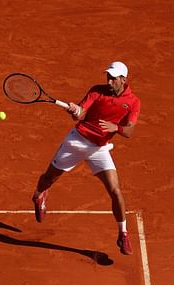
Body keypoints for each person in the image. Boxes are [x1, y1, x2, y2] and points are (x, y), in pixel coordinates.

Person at [31, 61, 141, 255]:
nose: (109, 80)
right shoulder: (97, 91)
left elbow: (130, 131)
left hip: (100, 149)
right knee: (49, 178)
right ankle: (39, 195)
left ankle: (123, 234)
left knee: (115, 190)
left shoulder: (133, 102)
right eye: (108, 76)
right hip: (77, 142)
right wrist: (75, 110)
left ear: (123, 79)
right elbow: (81, 114)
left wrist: (117, 128)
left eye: (113, 78)